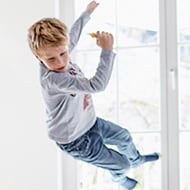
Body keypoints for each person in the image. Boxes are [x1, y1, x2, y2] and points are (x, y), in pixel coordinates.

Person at [27, 1, 160, 190]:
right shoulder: (54, 80)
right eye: (51, 59)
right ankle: (121, 180)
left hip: (89, 122)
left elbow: (71, 36)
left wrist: (87, 12)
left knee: (124, 136)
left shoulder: (57, 51)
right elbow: (96, 85)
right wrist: (106, 51)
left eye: (64, 53)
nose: (61, 62)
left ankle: (137, 159)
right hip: (75, 140)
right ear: (38, 57)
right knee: (123, 165)